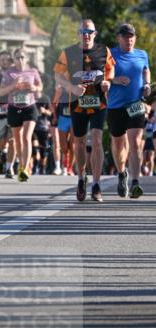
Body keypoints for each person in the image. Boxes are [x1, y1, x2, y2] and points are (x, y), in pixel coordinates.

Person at [54, 19, 114, 203]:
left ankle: (96, 184)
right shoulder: (68, 52)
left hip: (98, 103)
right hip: (77, 103)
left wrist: (107, 82)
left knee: (96, 140)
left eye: (89, 32)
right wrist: (71, 87)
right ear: (78, 34)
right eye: (82, 32)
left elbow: (110, 70)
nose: (86, 35)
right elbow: (57, 74)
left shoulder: (104, 50)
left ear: (95, 34)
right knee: (79, 143)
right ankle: (81, 178)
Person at [107, 23, 151, 199]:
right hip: (115, 106)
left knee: (135, 142)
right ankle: (121, 173)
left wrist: (147, 84)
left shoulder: (142, 54)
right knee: (118, 144)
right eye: (126, 37)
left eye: (132, 37)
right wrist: (115, 80)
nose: (129, 40)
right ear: (119, 38)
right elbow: (103, 75)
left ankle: (135, 182)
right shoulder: (111, 54)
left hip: (135, 104)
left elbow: (146, 71)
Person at [0, 50, 42, 181]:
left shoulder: (33, 71)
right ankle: (21, 165)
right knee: (17, 140)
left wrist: (34, 88)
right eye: (17, 57)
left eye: (22, 57)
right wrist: (13, 85)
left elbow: (40, 87)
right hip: (14, 107)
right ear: (14, 59)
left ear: (26, 58)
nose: (20, 60)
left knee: (26, 137)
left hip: (29, 107)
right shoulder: (9, 73)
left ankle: (25, 168)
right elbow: (1, 92)